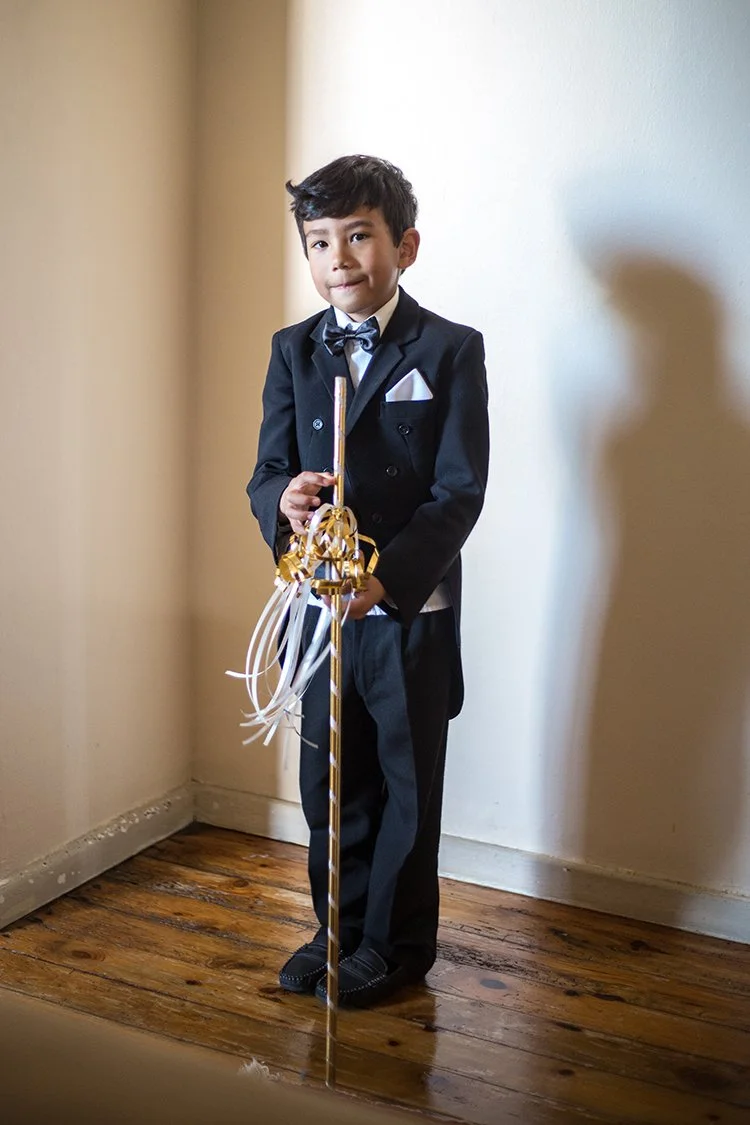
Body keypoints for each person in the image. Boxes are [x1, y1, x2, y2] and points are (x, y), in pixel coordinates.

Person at [248, 154, 489, 1008]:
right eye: (318, 241)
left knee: (404, 784)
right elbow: (266, 470)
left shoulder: (451, 349)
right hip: (323, 615)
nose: (337, 257)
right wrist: (288, 497)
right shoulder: (293, 349)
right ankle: (337, 929)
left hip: (407, 613)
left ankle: (397, 945)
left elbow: (460, 491)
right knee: (330, 779)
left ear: (405, 245)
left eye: (357, 235)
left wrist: (384, 581)